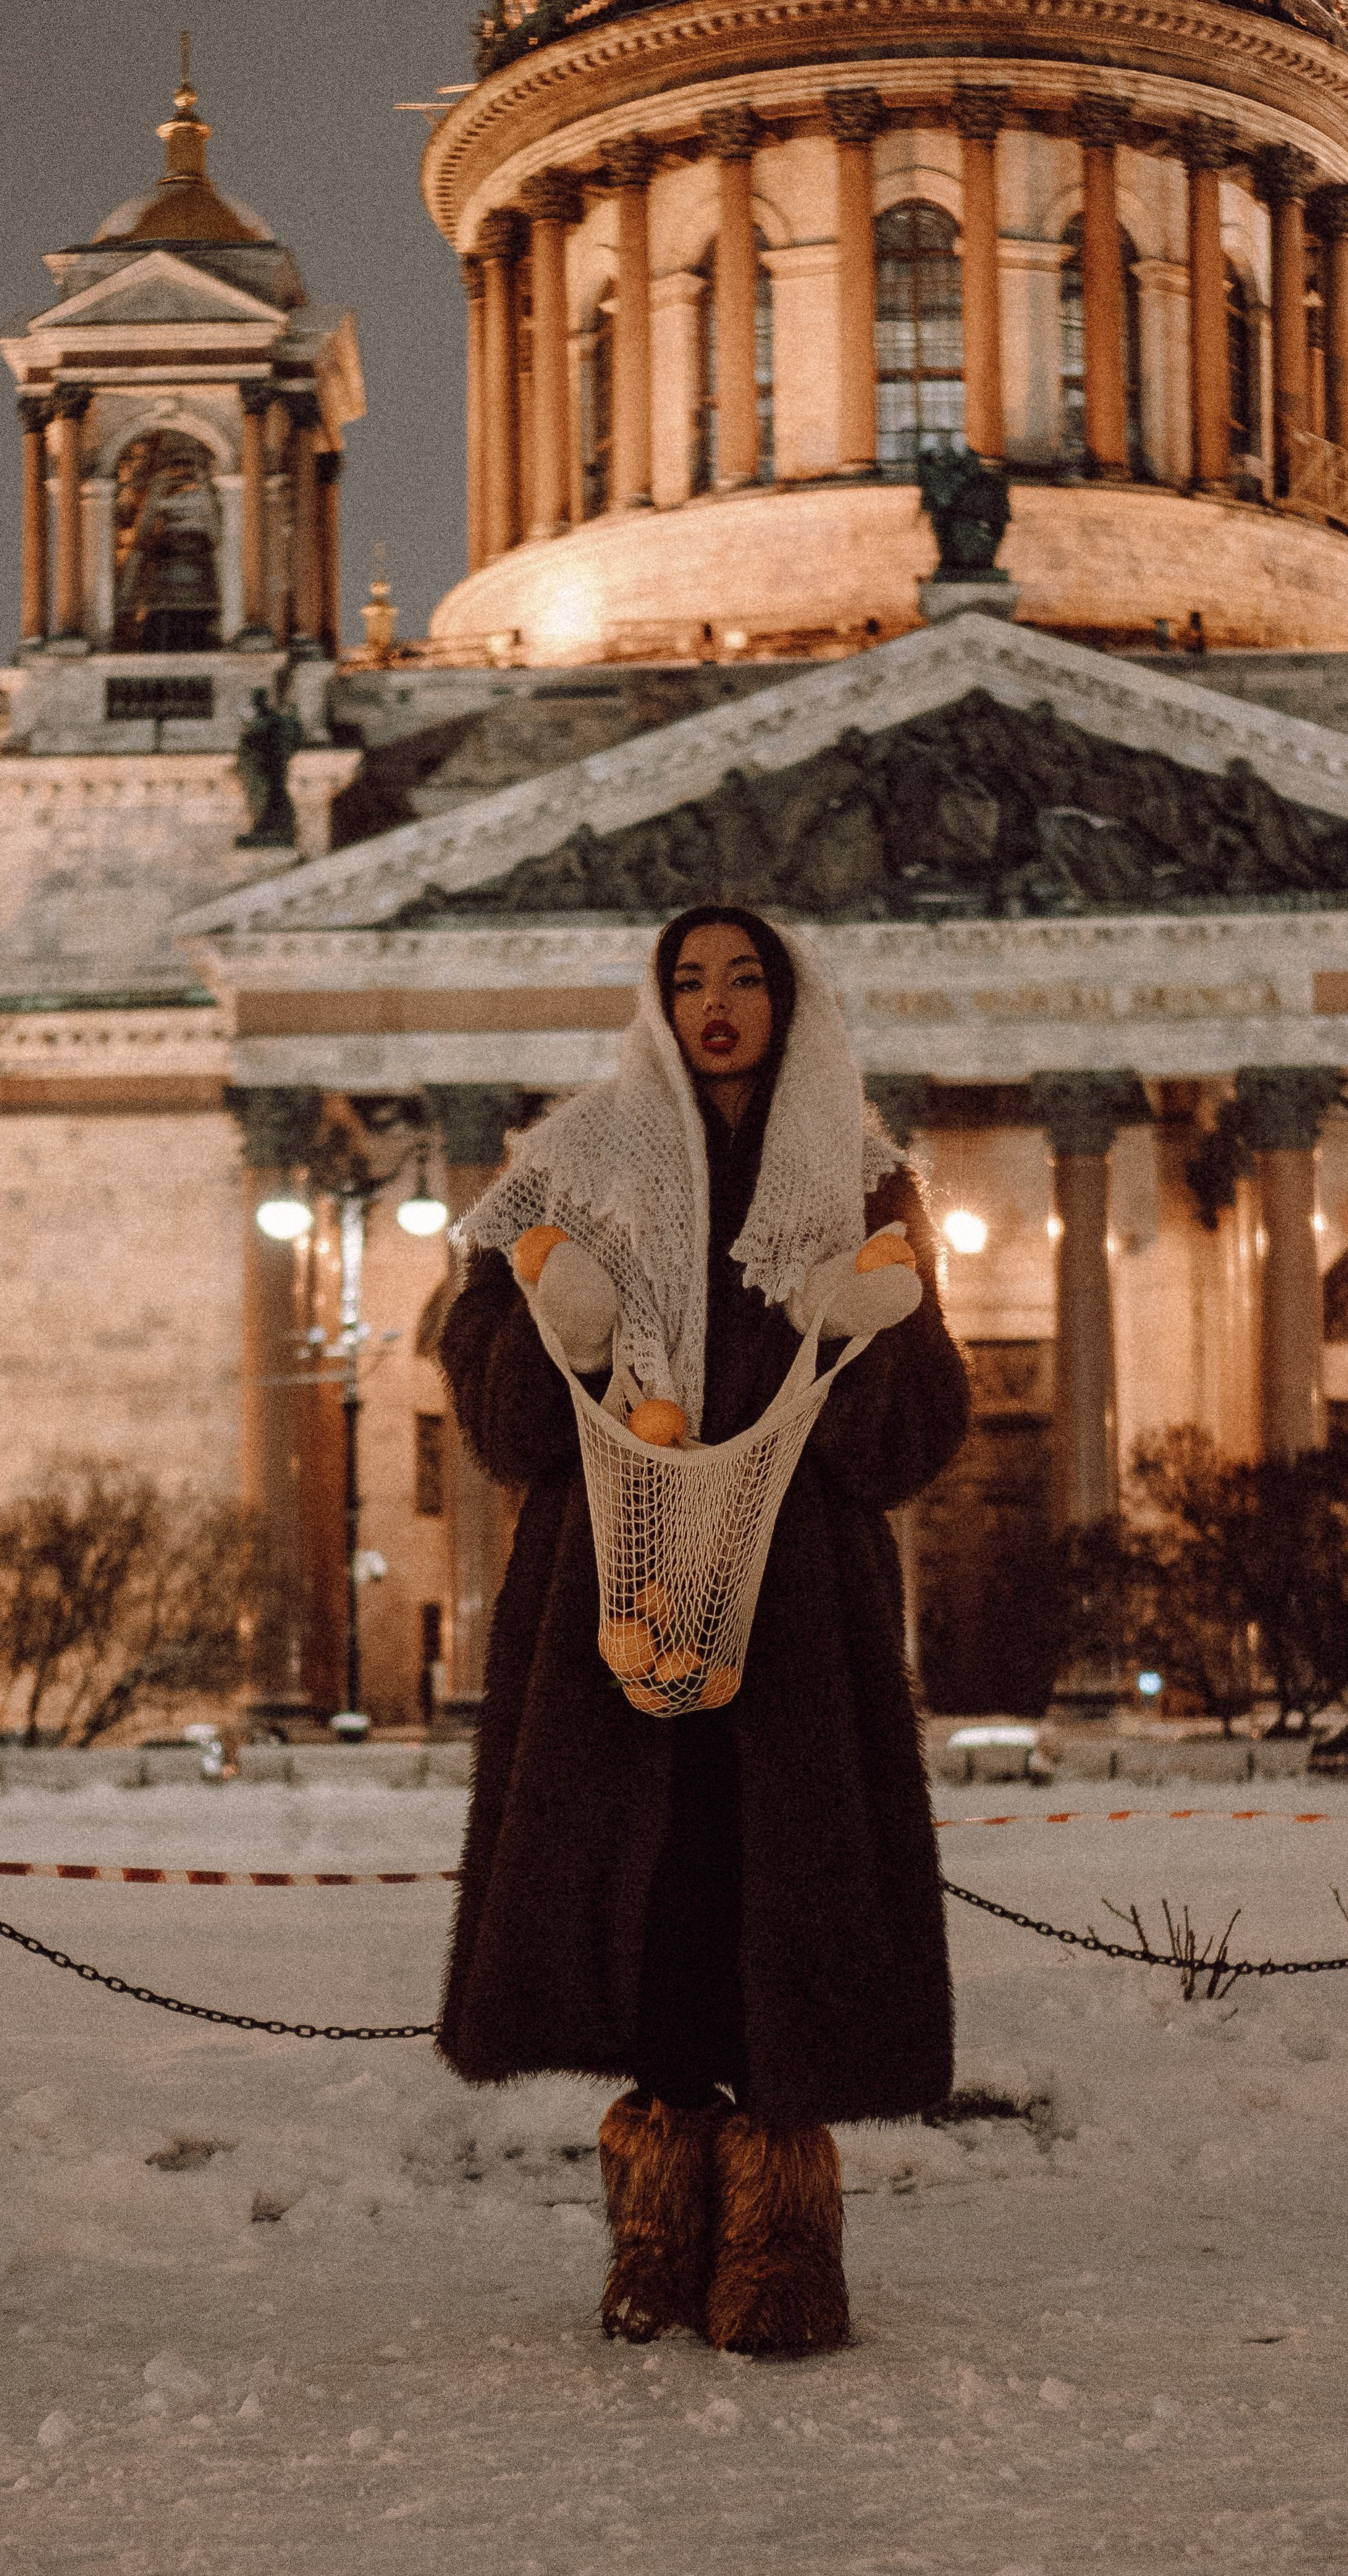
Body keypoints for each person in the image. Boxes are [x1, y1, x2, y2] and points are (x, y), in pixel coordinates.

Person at [437, 907, 970, 2356]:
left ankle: (781, 2234)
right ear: (655, 1003)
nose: (716, 1005)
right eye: (689, 980)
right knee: (653, 1891)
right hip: (610, 1588)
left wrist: (867, 1334)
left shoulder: (857, 1182)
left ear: (789, 1005)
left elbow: (914, 1434)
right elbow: (489, 1401)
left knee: (775, 1887)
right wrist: (573, 1338)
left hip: (795, 1602)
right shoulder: (565, 1170)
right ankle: (659, 2221)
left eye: (746, 979)